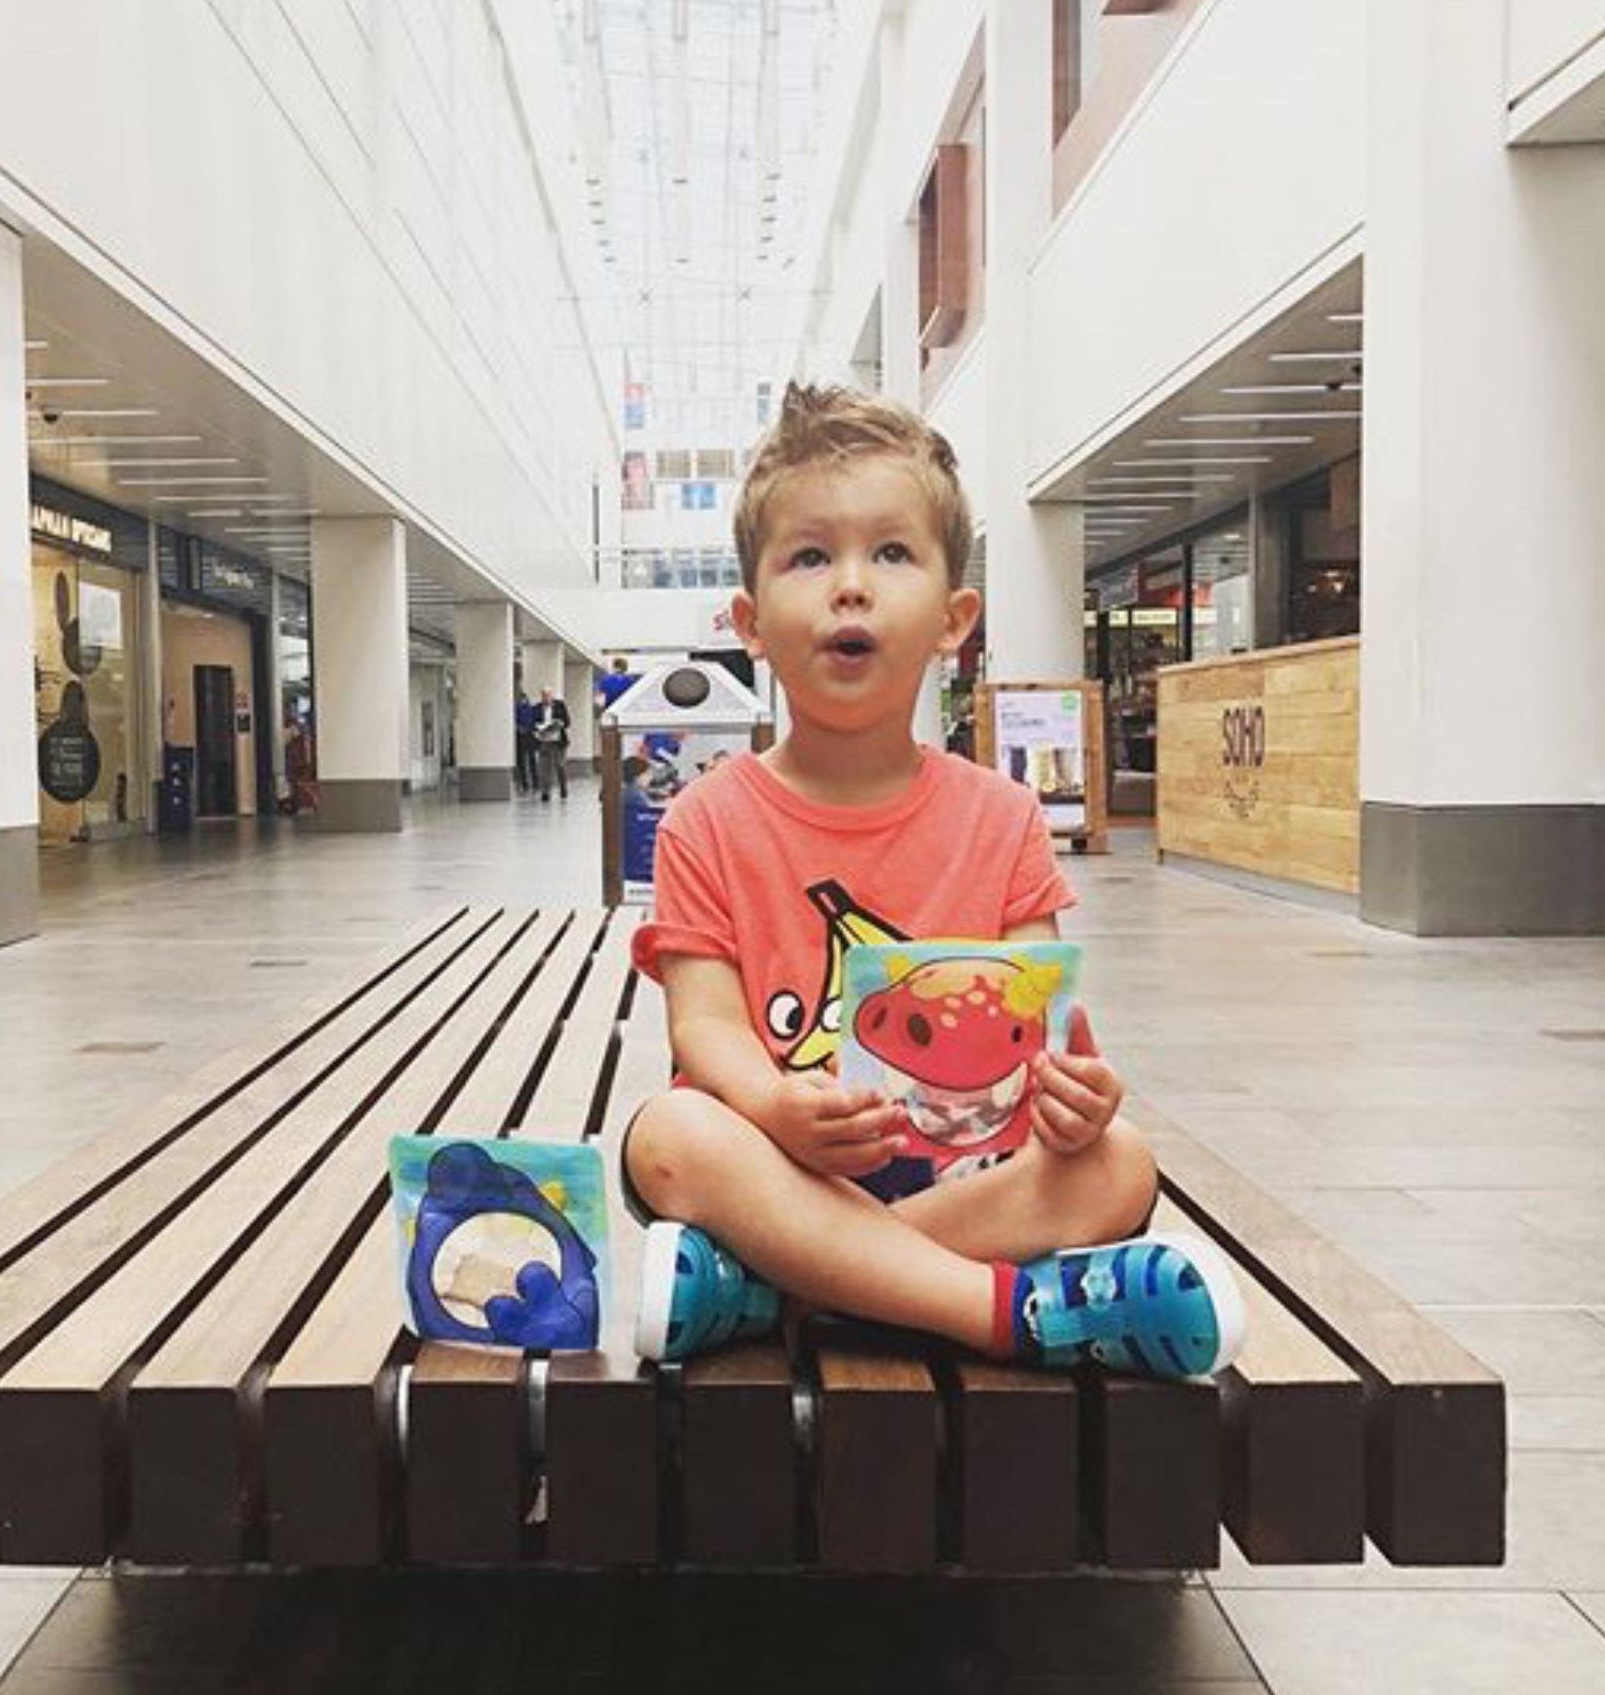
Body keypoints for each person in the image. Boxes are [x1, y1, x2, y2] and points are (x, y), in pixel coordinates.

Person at [624, 382, 1246, 1378]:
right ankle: (999, 1311)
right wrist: (778, 1104)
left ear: (953, 618)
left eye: (892, 551)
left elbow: (1033, 1022)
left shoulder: (1000, 816)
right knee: (668, 1131)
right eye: (809, 554)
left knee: (1119, 1159)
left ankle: (776, 1285)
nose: (850, 585)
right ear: (748, 617)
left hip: (962, 1164)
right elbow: (702, 1027)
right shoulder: (706, 816)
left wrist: (1071, 1097)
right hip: (777, 1158)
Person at [533, 686, 571, 801]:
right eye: (544, 696)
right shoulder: (537, 708)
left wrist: (559, 724)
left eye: (548, 695)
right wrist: (538, 728)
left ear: (552, 696)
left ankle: (563, 788)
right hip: (544, 741)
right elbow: (533, 722)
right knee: (544, 768)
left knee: (560, 765)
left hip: (558, 741)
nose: (546, 698)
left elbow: (567, 722)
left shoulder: (560, 706)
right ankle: (545, 792)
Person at [513, 687, 539, 795]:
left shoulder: (517, 709)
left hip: (522, 736)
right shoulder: (531, 708)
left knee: (523, 761)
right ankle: (534, 783)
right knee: (531, 760)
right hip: (529, 736)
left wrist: (520, 728)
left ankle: (526, 784)